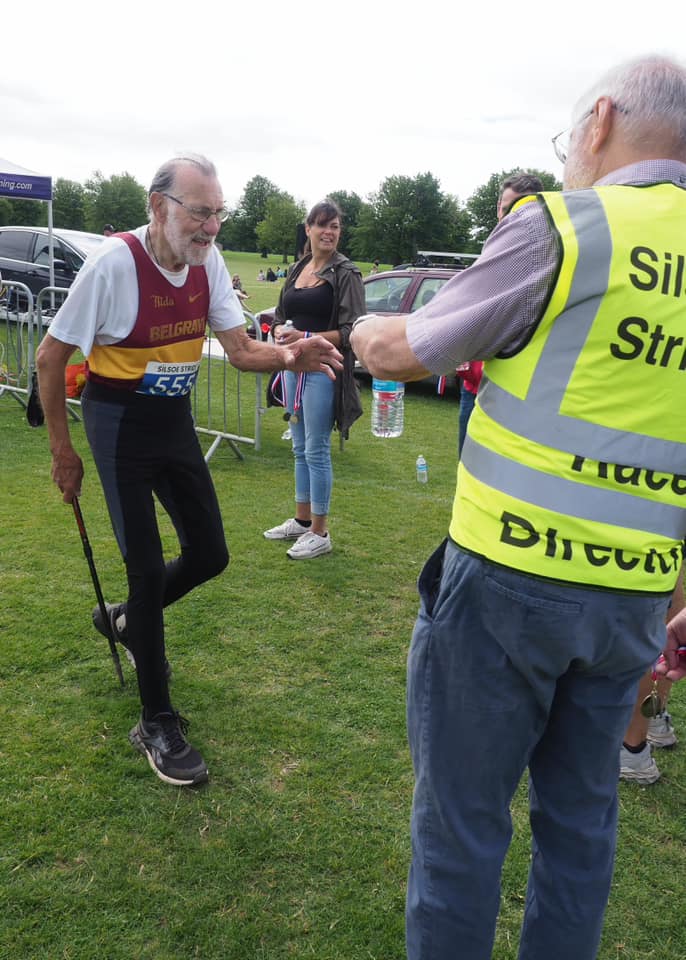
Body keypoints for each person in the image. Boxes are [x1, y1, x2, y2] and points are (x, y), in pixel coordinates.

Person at [351, 55, 686, 960]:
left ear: (600, 122)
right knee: (579, 829)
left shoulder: (570, 226)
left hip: (507, 586)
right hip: (633, 600)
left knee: (461, 829)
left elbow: (405, 347)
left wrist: (355, 327)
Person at [35, 154, 342, 788]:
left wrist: (292, 353)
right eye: (199, 213)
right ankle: (156, 720)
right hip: (117, 422)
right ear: (159, 207)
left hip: (173, 418)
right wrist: (63, 452)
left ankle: (126, 621)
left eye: (217, 214)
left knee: (210, 554)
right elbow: (48, 356)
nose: (210, 228)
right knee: (146, 568)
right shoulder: (114, 264)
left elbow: (239, 349)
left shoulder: (209, 263)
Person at [263, 199, 364, 559]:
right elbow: (278, 315)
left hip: (323, 369)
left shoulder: (346, 273)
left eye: (335, 226)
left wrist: (308, 339)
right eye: (322, 225)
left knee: (317, 449)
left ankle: (321, 532)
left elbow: (354, 329)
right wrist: (278, 332)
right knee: (299, 446)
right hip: (294, 368)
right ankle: (302, 521)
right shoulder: (298, 267)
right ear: (308, 229)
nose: (329, 232)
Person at [457, 173, 544, 456]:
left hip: (515, 395)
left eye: (522, 208)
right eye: (507, 209)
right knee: (466, 464)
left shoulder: (547, 260)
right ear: (498, 209)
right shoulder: (488, 255)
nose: (512, 217)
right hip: (473, 389)